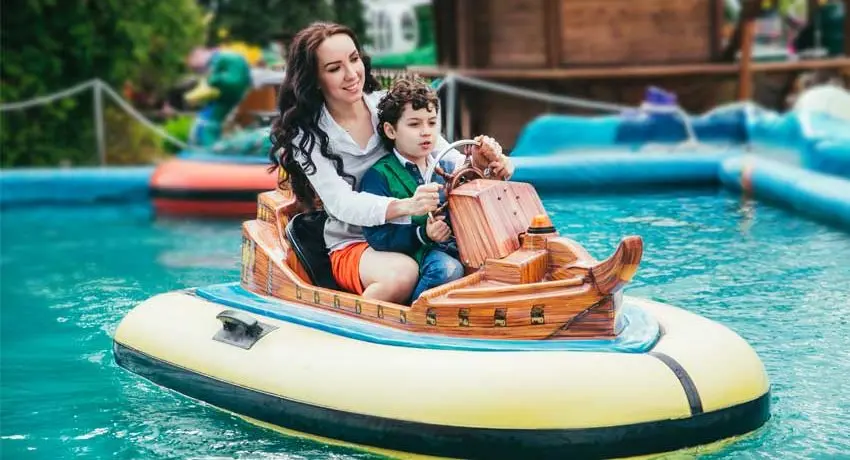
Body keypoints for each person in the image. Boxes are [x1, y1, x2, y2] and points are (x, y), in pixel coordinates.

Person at [268, 22, 513, 304]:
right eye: (334, 68)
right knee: (402, 274)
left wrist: (484, 164)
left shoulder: (386, 105)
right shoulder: (306, 135)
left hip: (416, 231)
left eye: (354, 59)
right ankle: (360, 324)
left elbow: (444, 156)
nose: (352, 74)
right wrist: (407, 206)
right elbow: (340, 203)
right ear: (314, 78)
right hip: (355, 242)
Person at [359, 78, 469, 302]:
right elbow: (376, 236)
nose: (426, 132)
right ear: (391, 130)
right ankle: (414, 313)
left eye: (431, 123)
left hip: (454, 245)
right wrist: (423, 234)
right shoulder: (379, 176)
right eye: (414, 124)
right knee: (447, 270)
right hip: (415, 253)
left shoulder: (447, 167)